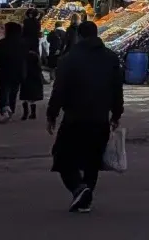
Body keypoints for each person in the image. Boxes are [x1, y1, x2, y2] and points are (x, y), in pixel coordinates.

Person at [46, 21, 124, 213]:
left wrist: (52, 115)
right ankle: (85, 199)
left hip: (74, 118)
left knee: (63, 158)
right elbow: (117, 89)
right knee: (92, 161)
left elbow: (59, 90)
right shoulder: (111, 58)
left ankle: (79, 188)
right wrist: (116, 113)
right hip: (100, 119)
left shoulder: (69, 59)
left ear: (78, 36)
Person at [0, 22, 30, 123]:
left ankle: (5, 109)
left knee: (4, 91)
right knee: (14, 91)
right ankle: (11, 110)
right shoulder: (23, 43)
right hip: (19, 71)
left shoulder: (3, 43)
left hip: (5, 71)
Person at [25, 23, 56, 120]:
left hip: (26, 77)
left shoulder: (25, 54)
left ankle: (26, 113)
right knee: (32, 97)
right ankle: (32, 112)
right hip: (34, 77)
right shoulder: (36, 56)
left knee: (25, 96)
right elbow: (39, 66)